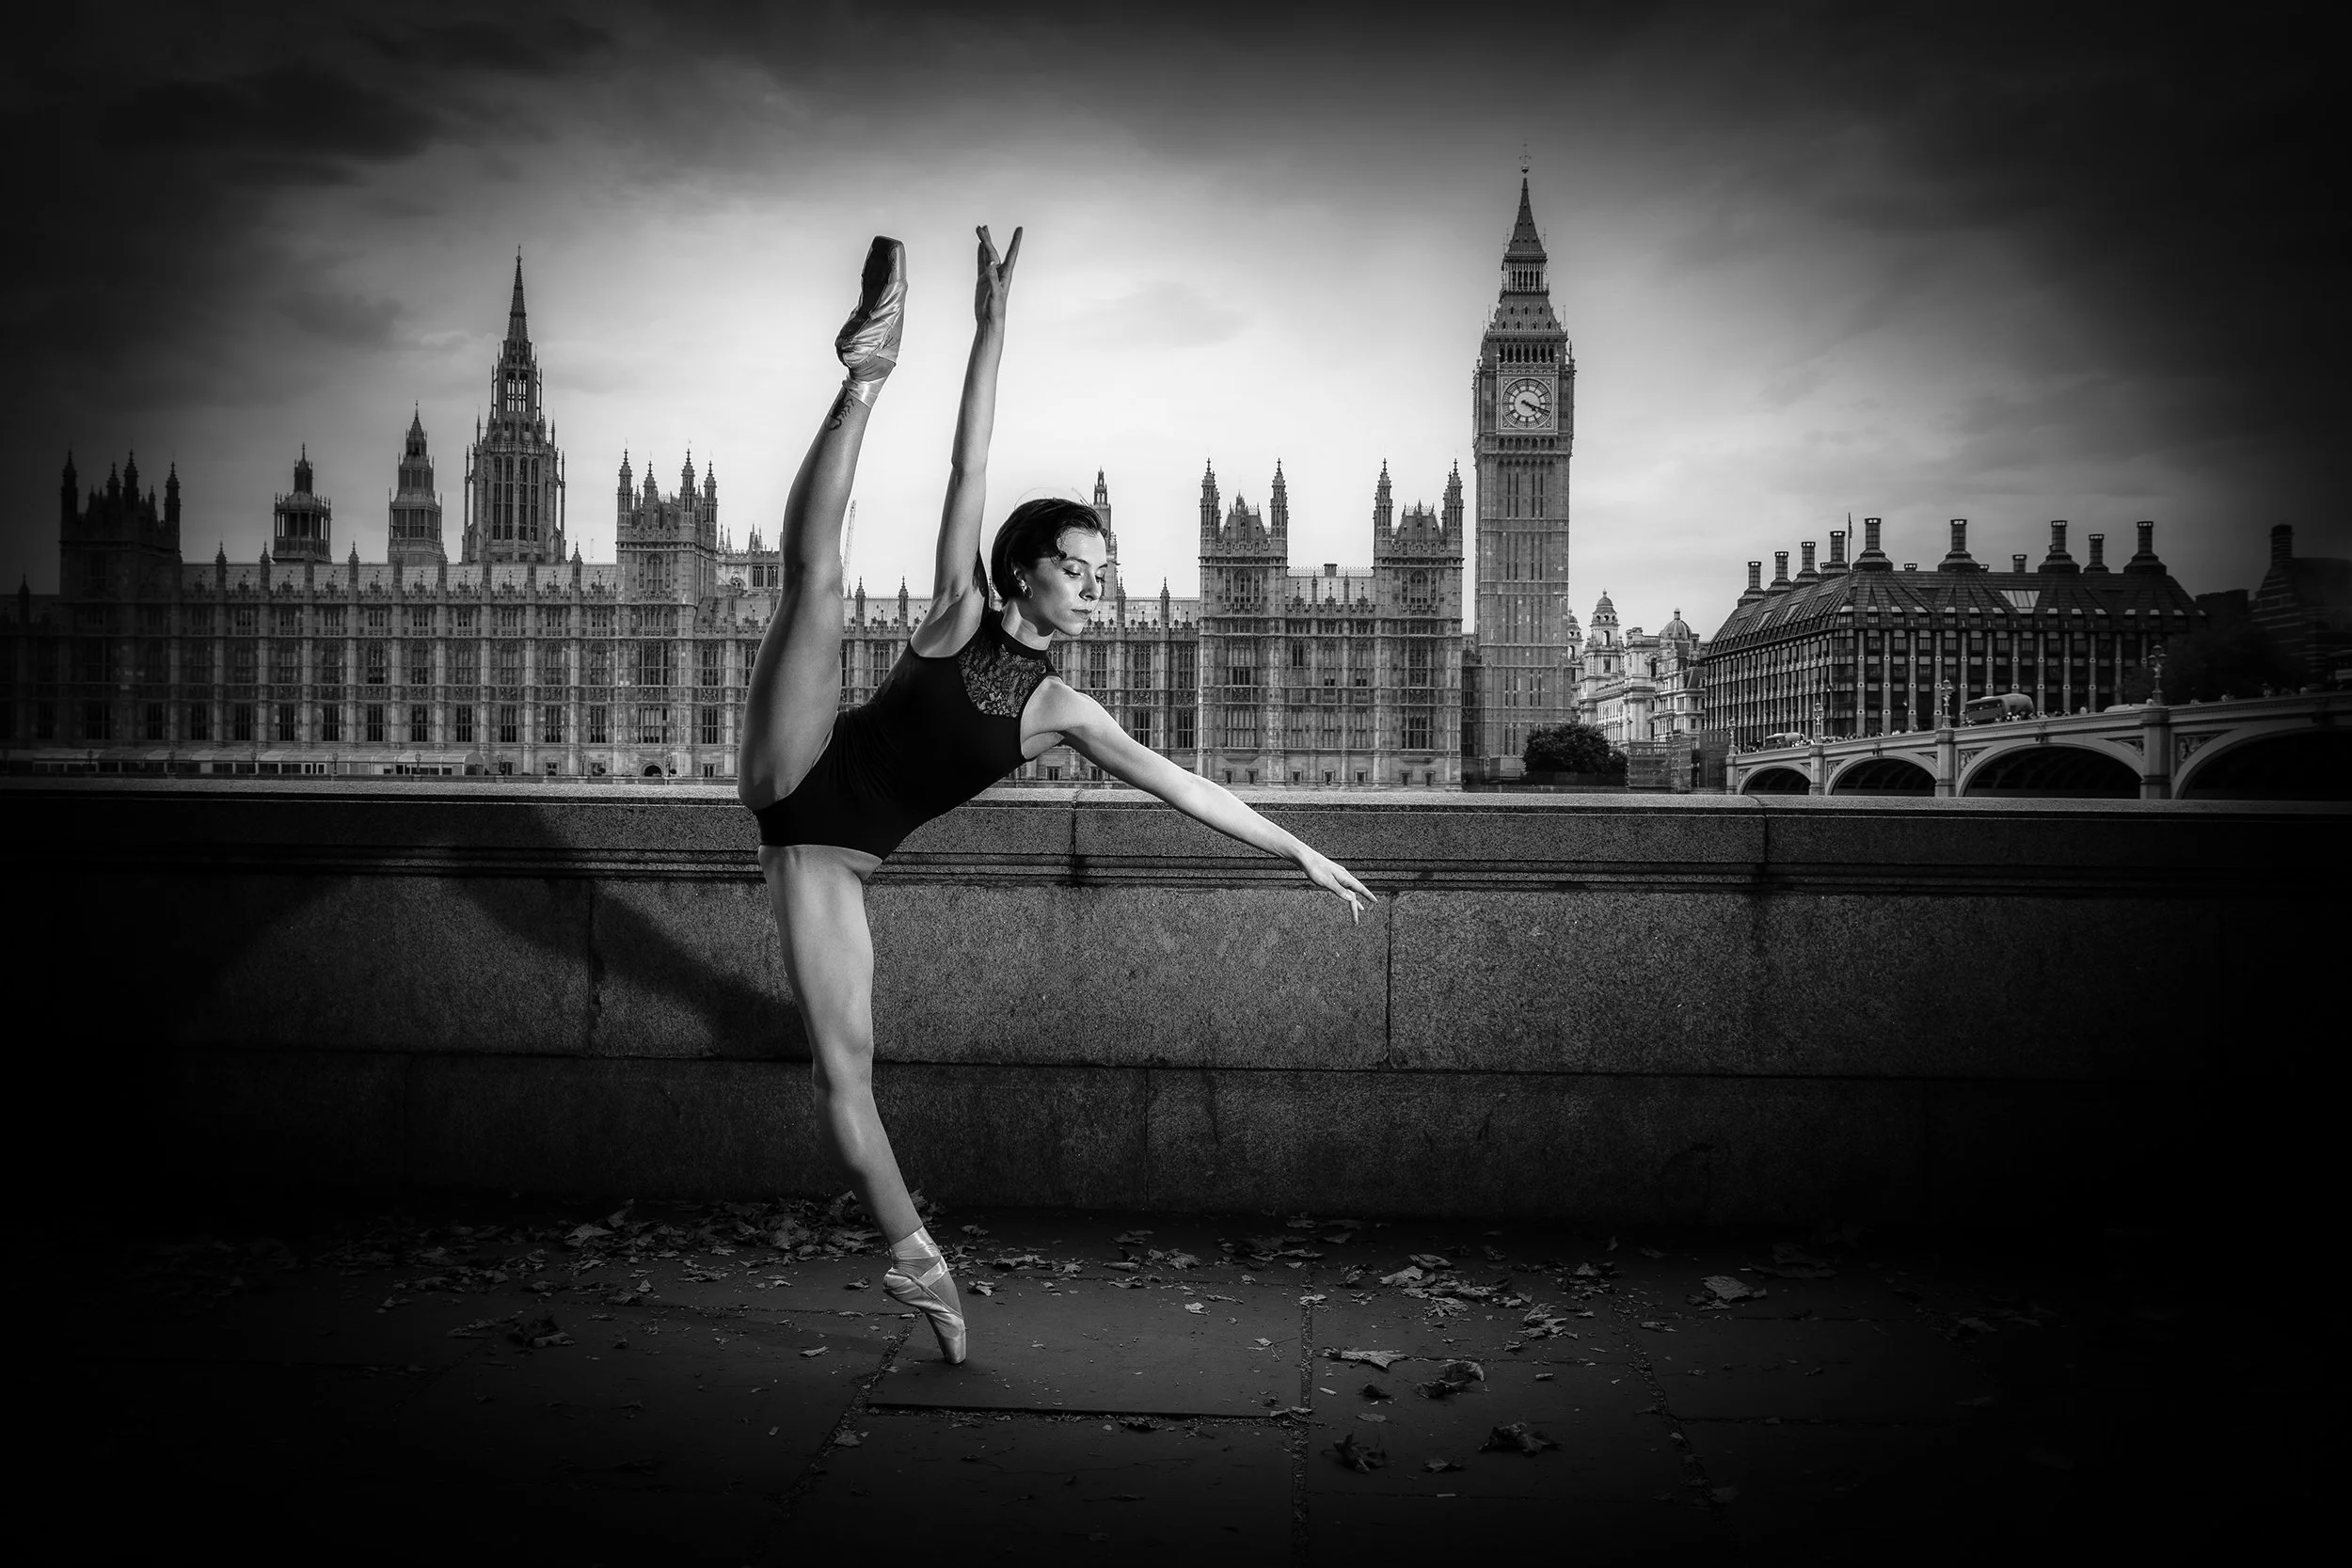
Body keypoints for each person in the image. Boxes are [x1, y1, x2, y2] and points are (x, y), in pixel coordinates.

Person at [736, 229, 1377, 1365]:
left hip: (827, 860)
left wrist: (1294, 850)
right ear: (1023, 567)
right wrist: (989, 330)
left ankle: (916, 1260)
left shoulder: (1065, 710)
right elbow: (967, 469)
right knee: (818, 579)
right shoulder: (953, 612)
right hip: (798, 765)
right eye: (1077, 566)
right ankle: (864, 377)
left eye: (1103, 571)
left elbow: (1185, 784)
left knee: (848, 1077)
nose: (1093, 586)